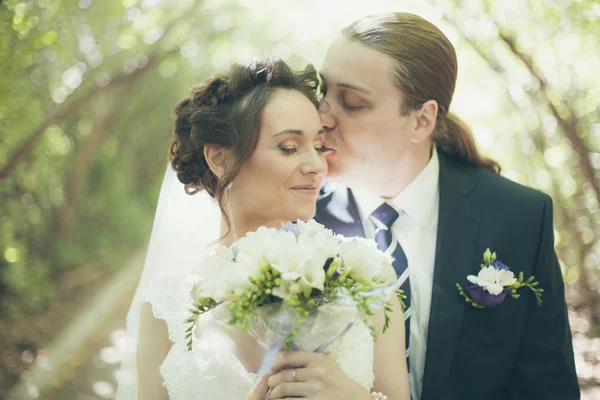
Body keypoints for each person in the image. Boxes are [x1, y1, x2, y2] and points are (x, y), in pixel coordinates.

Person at [315, 12, 580, 400]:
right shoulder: (296, 219)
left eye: (352, 103)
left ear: (421, 121)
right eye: (322, 92)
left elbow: (547, 388)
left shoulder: (519, 217)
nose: (321, 117)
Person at [116, 58, 409, 400]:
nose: (316, 166)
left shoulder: (369, 277)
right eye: (288, 147)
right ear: (220, 159)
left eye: (317, 145)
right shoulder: (166, 309)